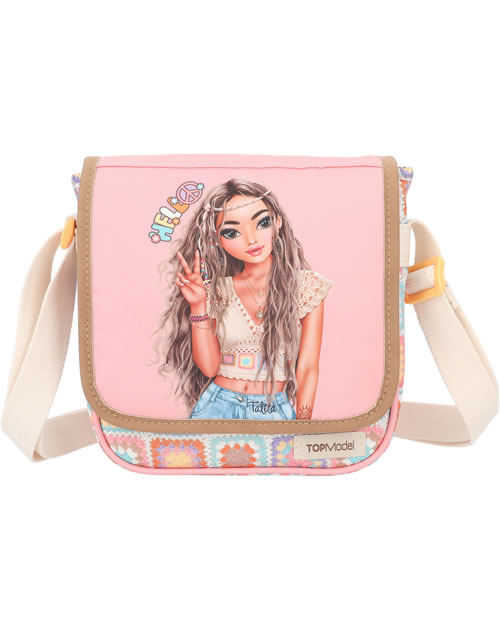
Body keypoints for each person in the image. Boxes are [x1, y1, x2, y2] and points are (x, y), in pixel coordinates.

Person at [154, 177, 334, 420]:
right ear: (217, 240)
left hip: (273, 409)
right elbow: (210, 367)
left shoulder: (306, 287)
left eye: (262, 222)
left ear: (278, 221)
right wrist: (198, 306)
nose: (251, 239)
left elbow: (308, 367)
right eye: (232, 232)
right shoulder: (217, 290)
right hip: (217, 406)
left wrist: (303, 426)